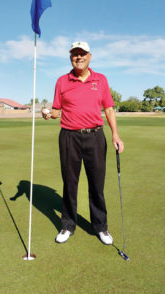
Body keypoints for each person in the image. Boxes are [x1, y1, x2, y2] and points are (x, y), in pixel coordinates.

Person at [42, 41, 124, 245]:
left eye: (82, 54)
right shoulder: (62, 81)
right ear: (71, 57)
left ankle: (100, 227)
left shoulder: (101, 79)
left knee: (97, 183)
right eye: (74, 54)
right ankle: (68, 225)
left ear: (90, 56)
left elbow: (109, 109)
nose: (78, 57)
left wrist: (115, 135)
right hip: (69, 137)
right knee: (70, 183)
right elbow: (56, 111)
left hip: (95, 136)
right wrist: (47, 114)